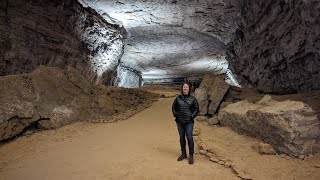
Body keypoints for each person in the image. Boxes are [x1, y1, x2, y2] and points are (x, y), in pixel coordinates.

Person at [172, 83, 199, 164]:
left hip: (189, 122)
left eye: (187, 87)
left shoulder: (193, 99)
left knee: (189, 137)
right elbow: (173, 107)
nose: (185, 88)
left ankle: (191, 155)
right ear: (182, 89)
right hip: (179, 121)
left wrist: (192, 116)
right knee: (181, 137)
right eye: (184, 87)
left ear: (189, 89)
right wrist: (176, 114)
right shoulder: (178, 98)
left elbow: (196, 109)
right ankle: (183, 154)